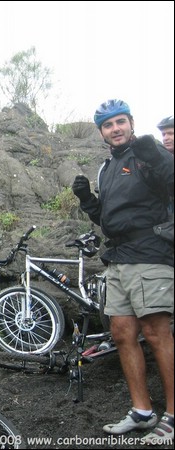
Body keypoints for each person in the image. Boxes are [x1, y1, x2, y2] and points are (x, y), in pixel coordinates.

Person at [71, 99, 174, 445]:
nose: (115, 129)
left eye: (120, 122)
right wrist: (89, 203)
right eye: (108, 125)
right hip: (117, 257)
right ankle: (142, 411)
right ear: (101, 132)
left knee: (156, 333)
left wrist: (159, 156)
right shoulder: (106, 168)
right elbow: (109, 220)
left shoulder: (148, 154)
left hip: (150, 255)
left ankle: (173, 416)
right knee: (121, 333)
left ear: (131, 123)